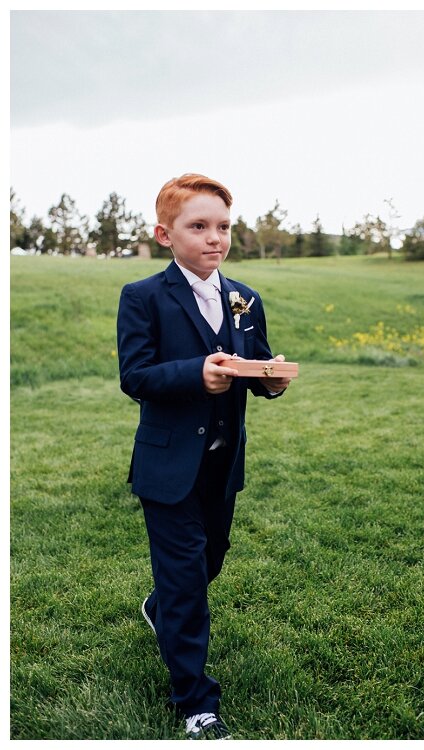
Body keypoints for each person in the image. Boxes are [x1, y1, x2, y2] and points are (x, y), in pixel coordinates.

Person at [117, 174, 292, 740]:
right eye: (199, 226)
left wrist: (272, 378)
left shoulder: (245, 298)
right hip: (168, 466)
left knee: (209, 560)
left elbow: (256, 363)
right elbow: (136, 375)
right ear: (165, 234)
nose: (215, 238)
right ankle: (196, 701)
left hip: (221, 464)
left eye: (223, 227)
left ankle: (160, 605)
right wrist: (197, 374)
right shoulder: (143, 297)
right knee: (187, 582)